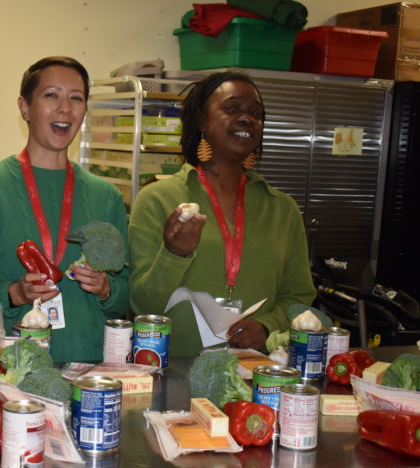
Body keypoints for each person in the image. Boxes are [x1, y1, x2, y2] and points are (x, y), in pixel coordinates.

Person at [0, 56, 129, 363]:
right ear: (25, 108)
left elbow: (127, 292)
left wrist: (107, 288)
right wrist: (13, 293)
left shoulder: (106, 196)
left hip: (89, 370)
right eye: (51, 95)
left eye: (76, 98)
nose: (65, 108)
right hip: (8, 370)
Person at [129, 71, 315, 357]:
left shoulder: (282, 209)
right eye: (231, 108)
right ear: (202, 120)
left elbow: (300, 296)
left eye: (256, 113)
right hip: (174, 369)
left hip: (258, 372)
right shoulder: (157, 199)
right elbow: (141, 305)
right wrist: (173, 255)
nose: (246, 118)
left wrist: (267, 327)